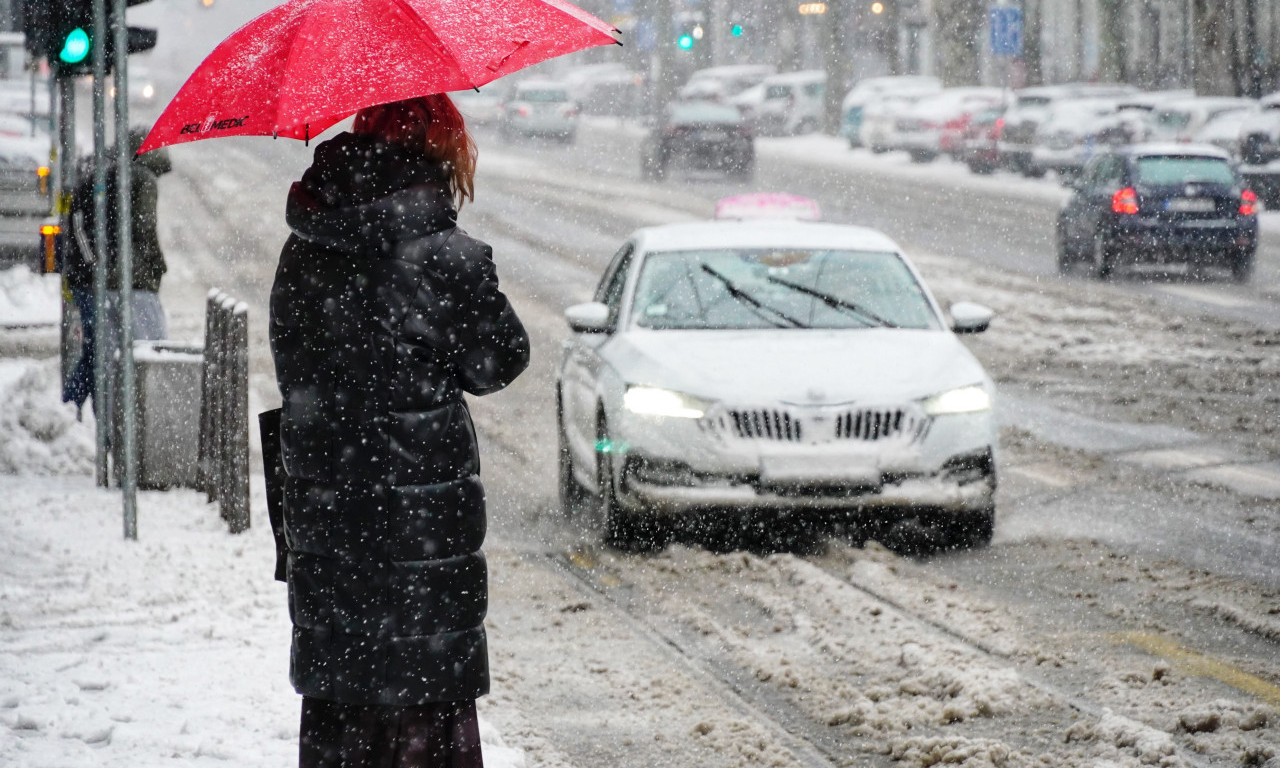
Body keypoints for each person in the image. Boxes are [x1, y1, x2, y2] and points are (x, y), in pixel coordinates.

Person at [268, 94, 530, 768]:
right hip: (422, 532)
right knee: (423, 711)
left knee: (345, 705)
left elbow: (292, 369)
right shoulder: (450, 258)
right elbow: (500, 361)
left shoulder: (304, 250)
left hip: (331, 525)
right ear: (442, 153)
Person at [62, 128, 171, 412]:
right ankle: (87, 415)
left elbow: (79, 222)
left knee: (99, 352)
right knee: (106, 354)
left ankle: (81, 414)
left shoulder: (102, 173)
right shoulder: (141, 179)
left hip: (88, 278)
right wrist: (155, 265)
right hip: (96, 280)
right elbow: (143, 229)